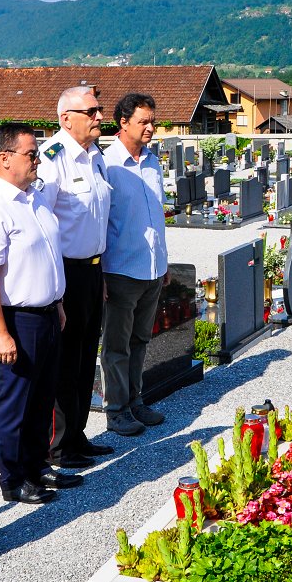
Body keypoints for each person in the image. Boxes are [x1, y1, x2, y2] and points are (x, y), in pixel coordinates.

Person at [0, 123, 82, 504]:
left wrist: (58, 303)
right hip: (16, 318)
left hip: (47, 314)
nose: (38, 159)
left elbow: (48, 257)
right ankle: (13, 477)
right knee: (14, 402)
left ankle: (38, 465)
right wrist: (0, 333)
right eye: (31, 153)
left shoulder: (35, 198)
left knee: (42, 397)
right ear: (4, 159)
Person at [37, 87, 115, 464]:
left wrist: (98, 275)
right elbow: (42, 223)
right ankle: (57, 444)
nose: (100, 116)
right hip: (65, 273)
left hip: (91, 271)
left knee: (86, 357)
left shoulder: (94, 156)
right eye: (92, 111)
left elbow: (96, 222)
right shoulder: (53, 158)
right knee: (65, 362)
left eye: (99, 110)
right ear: (66, 117)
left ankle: (78, 434)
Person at [100, 93, 169, 436]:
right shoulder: (106, 164)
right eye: (143, 121)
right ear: (122, 123)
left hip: (152, 269)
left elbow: (156, 216)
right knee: (116, 346)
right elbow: (100, 222)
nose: (151, 128)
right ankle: (116, 411)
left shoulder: (153, 162)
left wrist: (164, 262)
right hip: (121, 271)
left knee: (141, 340)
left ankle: (135, 401)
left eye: (152, 121)